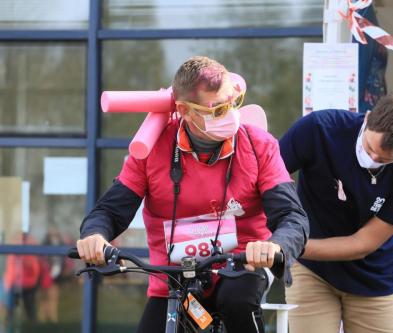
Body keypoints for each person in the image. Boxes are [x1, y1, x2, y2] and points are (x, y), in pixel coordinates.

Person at [76, 56, 308, 333]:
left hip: (241, 267)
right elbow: (109, 211)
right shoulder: (150, 150)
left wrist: (276, 245)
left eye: (233, 102)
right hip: (174, 279)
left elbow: (292, 216)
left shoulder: (259, 146)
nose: (231, 114)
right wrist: (94, 236)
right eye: (218, 109)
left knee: (237, 301)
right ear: (184, 110)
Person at [279, 93, 393, 333]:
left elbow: (362, 243)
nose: (372, 158)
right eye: (370, 148)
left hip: (372, 276)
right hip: (311, 269)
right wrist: (281, 229)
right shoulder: (319, 129)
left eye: (384, 159)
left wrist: (289, 245)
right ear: (368, 118)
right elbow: (270, 177)